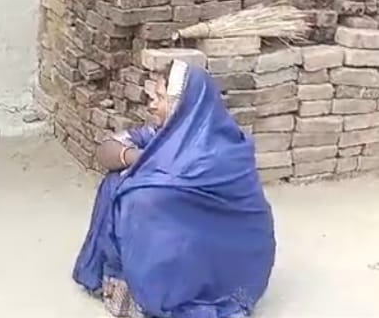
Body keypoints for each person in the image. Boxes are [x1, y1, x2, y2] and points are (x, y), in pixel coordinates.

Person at [72, 60, 276, 318]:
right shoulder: (166, 135)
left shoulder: (222, 150)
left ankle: (166, 291)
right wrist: (142, 157)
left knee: (139, 198)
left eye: (160, 98)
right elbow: (106, 150)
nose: (151, 105)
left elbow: (165, 197)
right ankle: (139, 282)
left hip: (230, 263)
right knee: (117, 181)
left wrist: (145, 168)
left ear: (183, 105)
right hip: (190, 245)